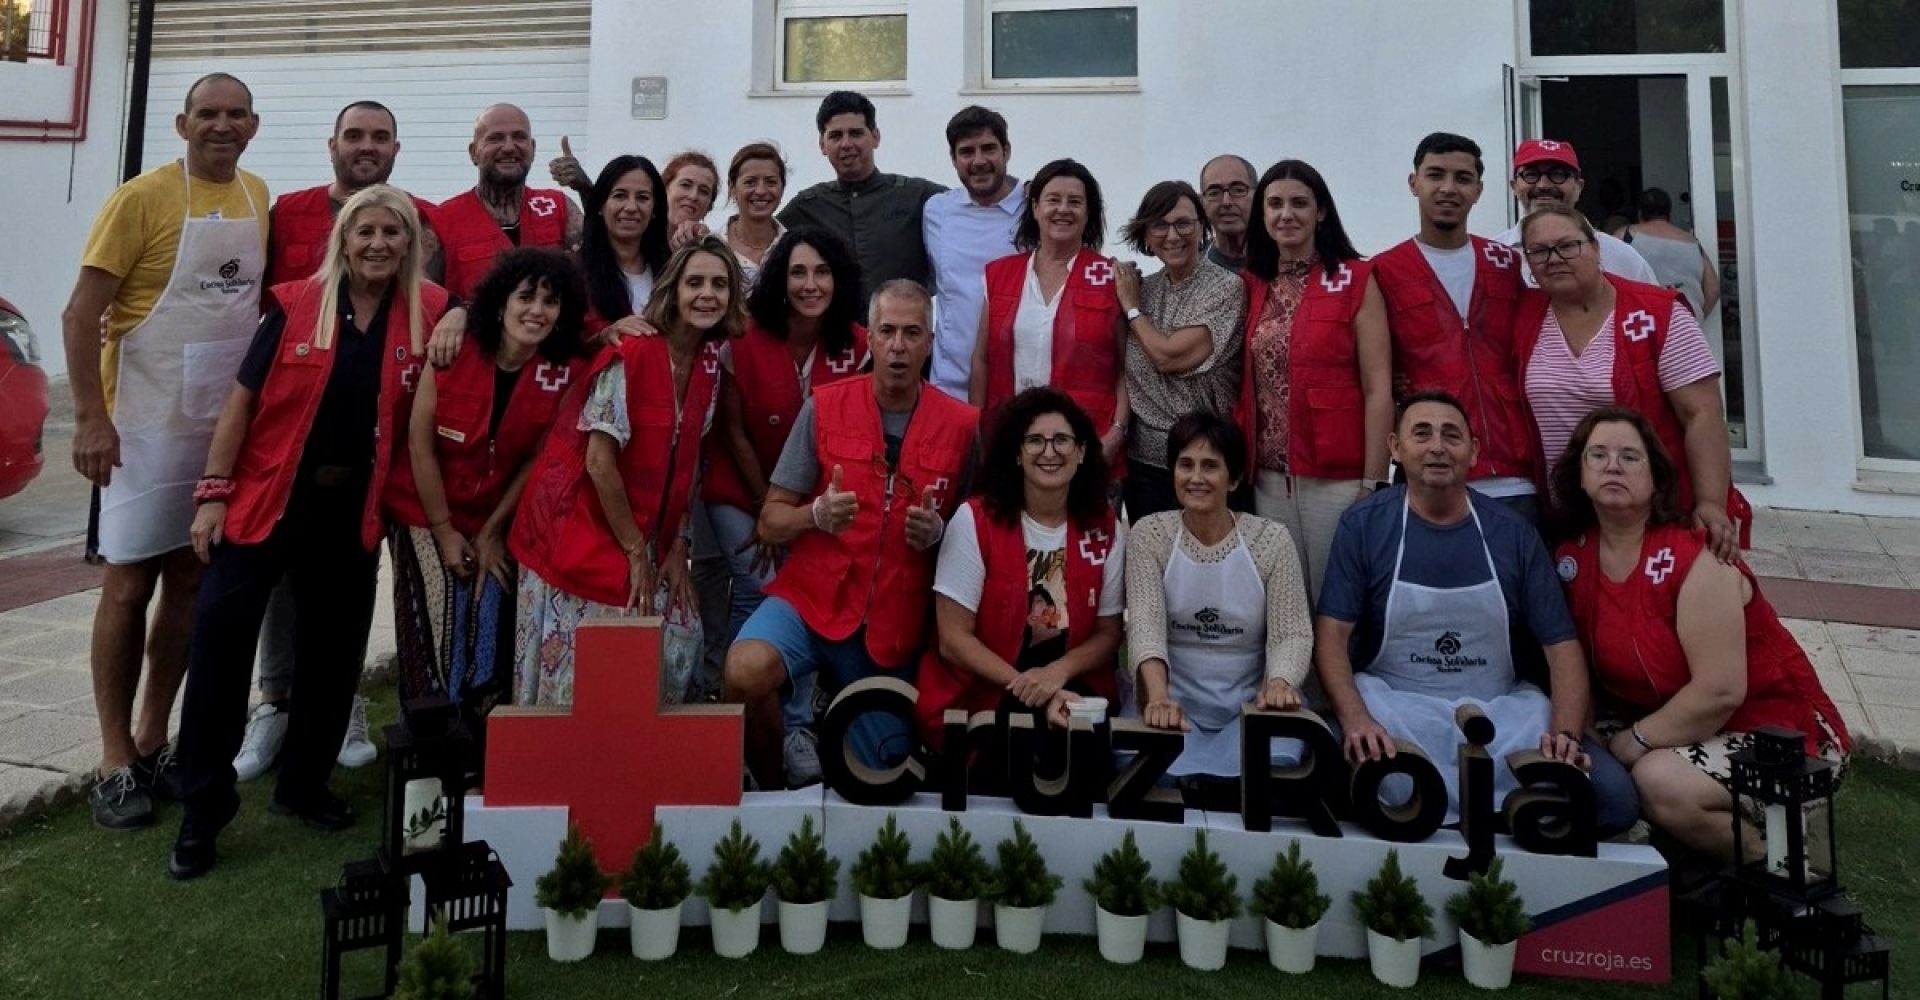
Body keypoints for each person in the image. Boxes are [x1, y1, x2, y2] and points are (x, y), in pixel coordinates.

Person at [169, 185, 450, 878]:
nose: (378, 243)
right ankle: (203, 809)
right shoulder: (296, 303)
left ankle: (303, 784)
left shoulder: (432, 311)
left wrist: (465, 315)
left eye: (392, 232)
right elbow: (241, 404)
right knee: (219, 645)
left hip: (353, 507)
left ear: (410, 244)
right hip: (268, 498)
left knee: (333, 653)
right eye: (366, 231)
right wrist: (213, 493)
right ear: (343, 240)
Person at [62, 73, 268, 830]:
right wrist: (91, 419)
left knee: (188, 580)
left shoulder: (257, 196)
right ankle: (114, 759)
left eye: (235, 114)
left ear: (253, 125)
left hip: (213, 432)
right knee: (126, 586)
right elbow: (81, 314)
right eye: (207, 114)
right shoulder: (140, 199)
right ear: (183, 125)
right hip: (140, 429)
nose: (222, 125)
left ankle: (153, 740)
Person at [238, 98, 443, 787]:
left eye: (380, 136)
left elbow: (444, 301)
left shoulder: (421, 218)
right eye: (354, 135)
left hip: (379, 437)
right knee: (280, 580)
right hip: (290, 429)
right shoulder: (287, 214)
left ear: (396, 149)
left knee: (352, 580)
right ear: (332, 144)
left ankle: (340, 700)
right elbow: (262, 306)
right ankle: (274, 701)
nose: (366, 146)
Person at [1552, 407, 1850, 858]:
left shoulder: (1698, 556)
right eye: (1598, 455)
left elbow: (1720, 690)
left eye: (1630, 457)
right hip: (1668, 720)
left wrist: (1634, 741)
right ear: (1579, 473)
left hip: (1776, 733)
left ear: (1657, 479)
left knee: (1657, 779)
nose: (1612, 466)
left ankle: (1776, 867)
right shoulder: (1572, 557)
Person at [723, 280, 979, 788]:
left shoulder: (962, 425)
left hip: (894, 624)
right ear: (870, 339)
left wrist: (940, 533)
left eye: (912, 333)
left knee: (883, 771)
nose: (898, 346)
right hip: (813, 600)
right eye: (887, 331)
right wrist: (814, 515)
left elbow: (980, 538)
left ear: (931, 341)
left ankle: (831, 722)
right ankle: (773, 788)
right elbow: (771, 520)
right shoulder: (824, 405)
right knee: (743, 669)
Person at [1314, 393, 1606, 824]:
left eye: (1452, 436)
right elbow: (1331, 636)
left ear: (1474, 451)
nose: (1437, 447)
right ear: (1395, 448)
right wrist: (1356, 718)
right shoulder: (1364, 525)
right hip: (1392, 711)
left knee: (1614, 797)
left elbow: (1561, 648)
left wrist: (1565, 735)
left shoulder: (1514, 534)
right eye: (1421, 434)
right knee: (1320, 775)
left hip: (1502, 718)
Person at [508, 237, 744, 706]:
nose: (707, 294)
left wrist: (678, 544)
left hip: (644, 533)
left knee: (682, 635)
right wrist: (637, 552)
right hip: (576, 530)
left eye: (719, 285)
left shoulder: (708, 364)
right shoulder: (633, 350)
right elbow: (599, 462)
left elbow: (689, 463)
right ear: (673, 290)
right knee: (590, 673)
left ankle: (657, 750)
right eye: (695, 282)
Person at [383, 248, 590, 718]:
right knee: (442, 607)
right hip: (423, 509)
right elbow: (419, 444)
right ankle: (431, 724)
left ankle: (480, 724)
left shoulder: (564, 371)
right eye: (526, 297)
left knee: (488, 599)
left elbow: (536, 459)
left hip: (495, 515)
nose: (537, 310)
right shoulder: (454, 351)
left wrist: (493, 531)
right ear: (501, 303)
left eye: (550, 301)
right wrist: (444, 532)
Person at [702, 228, 869, 733]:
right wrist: (768, 511)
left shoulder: (859, 344)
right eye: (798, 272)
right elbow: (733, 432)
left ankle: (772, 715)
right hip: (741, 491)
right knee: (763, 585)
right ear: (779, 278)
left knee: (795, 593)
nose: (810, 284)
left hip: (818, 502)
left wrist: (798, 516)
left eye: (822, 272)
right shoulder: (744, 336)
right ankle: (753, 712)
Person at [1513, 205, 1747, 561]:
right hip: (1564, 515)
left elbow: (1702, 413)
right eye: (1539, 251)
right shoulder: (1524, 315)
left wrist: (1710, 502)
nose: (1554, 258)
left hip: (1649, 512)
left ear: (1597, 248)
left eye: (1568, 246)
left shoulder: (1659, 313)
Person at [915, 388, 1124, 747]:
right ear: (1016, 453)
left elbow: (1108, 635)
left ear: (1081, 452)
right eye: (1034, 441)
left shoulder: (1104, 528)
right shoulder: (975, 520)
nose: (1049, 451)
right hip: (988, 688)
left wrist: (1056, 674)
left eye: (1062, 440)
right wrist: (1035, 689)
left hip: (1070, 682)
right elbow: (953, 640)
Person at [1125, 411, 1311, 794]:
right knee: (1144, 769)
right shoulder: (1150, 534)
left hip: (1250, 705)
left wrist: (1279, 683)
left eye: (1210, 466)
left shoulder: (1271, 540)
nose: (1196, 477)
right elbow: (1145, 625)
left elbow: (1291, 632)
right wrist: (1158, 700)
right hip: (1172, 701)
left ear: (1234, 478)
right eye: (1186, 465)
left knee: (1273, 770)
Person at [1235, 160, 1392, 599]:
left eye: (1299, 203)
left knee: (1336, 601)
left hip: (1338, 478)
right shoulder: (1252, 284)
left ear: (1321, 211)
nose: (1286, 214)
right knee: (1282, 602)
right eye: (1275, 204)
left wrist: (1373, 483)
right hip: (1268, 478)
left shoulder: (1356, 278)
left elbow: (1379, 389)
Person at [1373, 133, 1541, 521]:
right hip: (1429, 471)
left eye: (1462, 178)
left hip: (1516, 471)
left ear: (1479, 190)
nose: (1448, 188)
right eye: (1435, 175)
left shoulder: (1506, 263)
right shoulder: (1383, 270)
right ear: (1414, 183)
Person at [970, 158, 1127, 474]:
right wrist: (978, 432)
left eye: (1075, 202)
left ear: (1088, 212)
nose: (1063, 209)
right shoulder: (999, 275)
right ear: (1035, 207)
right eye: (1053, 199)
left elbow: (1128, 368)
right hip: (1011, 442)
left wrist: (1117, 433)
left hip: (1086, 445)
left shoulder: (1110, 276)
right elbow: (981, 360)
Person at [1113, 181, 1247, 520]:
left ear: (1201, 227)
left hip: (1206, 460)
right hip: (1144, 466)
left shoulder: (1225, 287)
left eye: (1183, 223)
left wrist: (1131, 309)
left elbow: (1168, 357)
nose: (1173, 235)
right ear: (1146, 234)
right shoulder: (1144, 288)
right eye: (1160, 225)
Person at [778, 91, 945, 300]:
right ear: (822, 144)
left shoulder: (918, 196)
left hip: (904, 319)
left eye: (856, 133)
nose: (846, 144)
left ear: (875, 137)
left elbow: (972, 210)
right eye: (835, 136)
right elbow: (760, 241)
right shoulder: (807, 207)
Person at [923, 105, 1023, 400]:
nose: (979, 161)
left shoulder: (1035, 209)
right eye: (967, 152)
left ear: (1006, 150)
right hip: (948, 386)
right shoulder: (936, 210)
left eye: (988, 149)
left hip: (1018, 385)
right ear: (953, 159)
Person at [436, 103, 581, 301]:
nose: (509, 147)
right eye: (495, 138)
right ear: (473, 152)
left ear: (533, 148)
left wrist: (587, 191)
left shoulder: (558, 207)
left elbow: (603, 264)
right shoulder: (442, 220)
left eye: (519, 137)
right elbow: (422, 298)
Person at [1493, 139, 1655, 288]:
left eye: (1557, 174)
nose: (1543, 185)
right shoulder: (1494, 255)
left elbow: (1655, 305)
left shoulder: (1621, 257)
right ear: (1514, 186)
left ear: (1579, 186)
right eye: (1531, 175)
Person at [578, 155, 672, 337]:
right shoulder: (574, 272)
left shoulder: (673, 272)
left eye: (642, 198)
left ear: (655, 209)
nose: (631, 207)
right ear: (600, 206)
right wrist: (604, 336)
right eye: (620, 196)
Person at [1616, 187, 1720, 319]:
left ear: (1640, 213)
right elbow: (1713, 290)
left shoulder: (1625, 236)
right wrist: (1697, 317)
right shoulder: (1692, 242)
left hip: (1643, 321)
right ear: (1669, 213)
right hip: (1685, 319)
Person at [720, 142, 789, 288]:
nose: (761, 191)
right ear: (732, 187)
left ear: (782, 188)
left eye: (771, 182)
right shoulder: (713, 244)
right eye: (750, 182)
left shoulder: (794, 247)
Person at [1198, 155, 1256, 271]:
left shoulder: (1285, 259)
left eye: (1238, 190)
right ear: (1201, 201)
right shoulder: (1189, 270)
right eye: (1214, 193)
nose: (1226, 202)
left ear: (1257, 196)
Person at [662, 150, 721, 248]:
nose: (693, 196)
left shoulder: (713, 249)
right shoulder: (638, 236)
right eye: (685, 185)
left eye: (704, 191)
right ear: (664, 189)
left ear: (709, 206)